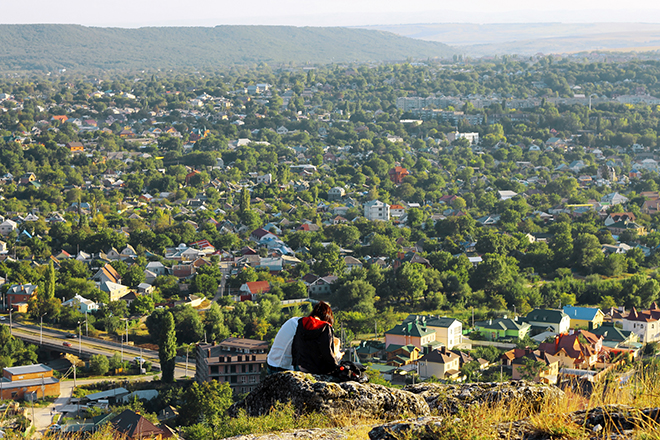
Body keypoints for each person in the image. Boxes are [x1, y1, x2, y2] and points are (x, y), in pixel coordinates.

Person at [291, 301, 340, 375]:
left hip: (299, 367)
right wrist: (336, 368)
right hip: (317, 369)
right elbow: (327, 352)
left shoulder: (302, 323)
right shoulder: (325, 327)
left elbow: (295, 346)